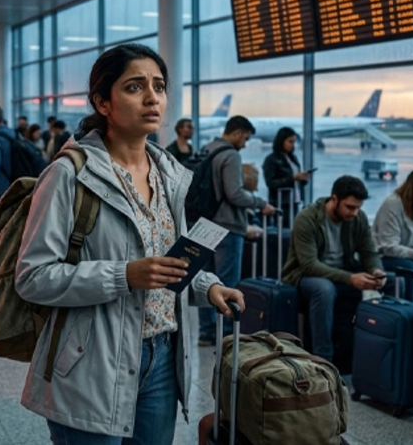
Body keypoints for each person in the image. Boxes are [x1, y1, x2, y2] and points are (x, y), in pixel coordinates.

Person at [14, 43, 244, 445]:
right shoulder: (69, 175)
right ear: (103, 101)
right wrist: (123, 275)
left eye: (158, 86)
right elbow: (34, 277)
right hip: (92, 361)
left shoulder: (170, 175)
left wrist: (208, 286)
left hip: (162, 358)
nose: (152, 97)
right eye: (135, 87)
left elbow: (170, 260)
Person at [282, 175, 385, 363]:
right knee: (324, 289)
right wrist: (350, 278)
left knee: (390, 281)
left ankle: (369, 359)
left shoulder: (358, 218)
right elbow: (309, 264)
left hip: (343, 272)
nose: (354, 213)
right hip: (305, 276)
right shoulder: (307, 218)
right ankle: (323, 358)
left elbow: (369, 252)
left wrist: (377, 271)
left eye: (358, 208)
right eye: (350, 207)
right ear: (334, 199)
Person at [197, 115, 275, 346]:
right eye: (246, 138)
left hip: (202, 225)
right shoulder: (230, 155)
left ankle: (206, 332)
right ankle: (228, 335)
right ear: (238, 132)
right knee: (227, 283)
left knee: (204, 282)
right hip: (226, 226)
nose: (245, 143)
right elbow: (235, 193)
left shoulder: (206, 149)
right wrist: (260, 204)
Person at [263, 127, 312, 225]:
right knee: (284, 229)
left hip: (294, 200)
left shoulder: (292, 158)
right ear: (281, 141)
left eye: (294, 142)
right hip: (281, 202)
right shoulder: (272, 160)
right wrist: (292, 178)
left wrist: (302, 178)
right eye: (290, 142)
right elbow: (271, 183)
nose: (292, 145)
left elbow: (295, 179)